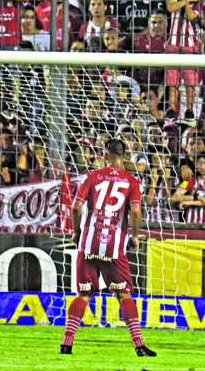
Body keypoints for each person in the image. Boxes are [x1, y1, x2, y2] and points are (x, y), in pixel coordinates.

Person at [63, 138, 154, 357]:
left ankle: (67, 343)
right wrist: (134, 235)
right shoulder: (132, 182)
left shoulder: (92, 176)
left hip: (88, 242)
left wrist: (76, 232)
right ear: (124, 156)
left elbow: (76, 207)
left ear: (105, 155)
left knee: (83, 294)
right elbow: (135, 211)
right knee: (124, 294)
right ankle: (139, 345)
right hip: (113, 245)